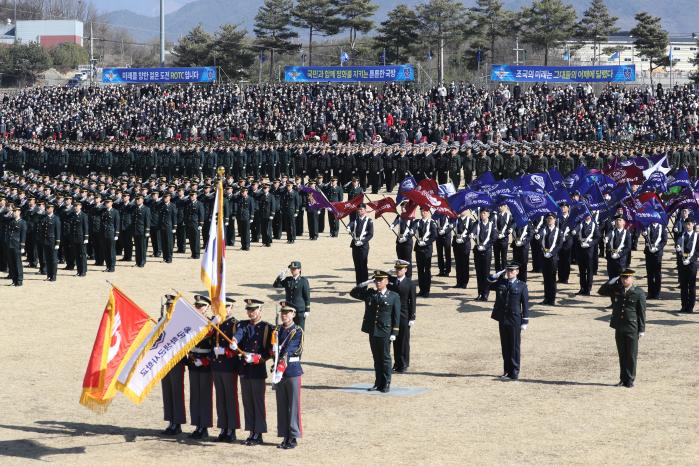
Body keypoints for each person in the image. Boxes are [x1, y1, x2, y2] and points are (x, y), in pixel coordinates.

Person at [350, 270, 401, 393]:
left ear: (387, 281)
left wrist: (394, 332)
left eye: (380, 280)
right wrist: (365, 283)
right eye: (376, 280)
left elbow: (396, 316)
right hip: (373, 330)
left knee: (385, 358)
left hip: (385, 331)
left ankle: (386, 382)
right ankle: (378, 383)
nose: (378, 282)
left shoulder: (393, 296)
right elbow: (353, 293)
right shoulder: (370, 294)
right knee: (376, 358)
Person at [231, 298, 272, 446]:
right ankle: (251, 431)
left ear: (260, 310)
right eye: (249, 310)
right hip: (244, 369)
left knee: (258, 402)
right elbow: (240, 333)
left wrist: (256, 358)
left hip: (257, 369)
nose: (251, 313)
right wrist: (235, 341)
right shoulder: (243, 325)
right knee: (247, 402)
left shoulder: (267, 328)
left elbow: (270, 351)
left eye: (254, 310)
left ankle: (259, 433)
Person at [598, 269, 646, 388]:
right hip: (619, 326)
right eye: (623, 277)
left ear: (632, 278)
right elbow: (601, 291)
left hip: (632, 327)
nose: (625, 280)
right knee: (622, 354)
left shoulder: (638, 293)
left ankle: (629, 379)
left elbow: (641, 312)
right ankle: (622, 379)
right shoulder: (617, 290)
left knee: (631, 355)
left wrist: (642, 330)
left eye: (627, 277)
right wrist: (612, 281)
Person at [488, 261, 529, 381]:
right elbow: (488, 281)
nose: (509, 273)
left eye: (512, 271)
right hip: (503, 318)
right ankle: (507, 371)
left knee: (514, 346)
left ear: (517, 272)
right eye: (508, 270)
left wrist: (525, 321)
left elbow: (525, 305)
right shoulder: (501, 283)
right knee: (505, 346)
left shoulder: (522, 286)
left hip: (515, 319)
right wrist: (499, 273)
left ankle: (514, 372)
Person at [272, 302, 304, 450]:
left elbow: (293, 348)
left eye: (287, 312)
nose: (284, 315)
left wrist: (282, 359)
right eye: (282, 313)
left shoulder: (297, 331)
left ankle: (293, 437)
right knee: (282, 405)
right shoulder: (277, 330)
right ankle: (285, 435)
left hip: (291, 371)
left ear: (293, 314)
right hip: (279, 373)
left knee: (293, 405)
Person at [211, 296, 241, 442]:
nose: (225, 310)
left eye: (227, 307)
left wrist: (225, 351)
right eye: (222, 307)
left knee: (230, 398)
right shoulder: (216, 322)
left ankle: (232, 429)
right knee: (220, 398)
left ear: (231, 308)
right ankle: (223, 427)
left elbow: (238, 348)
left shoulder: (235, 325)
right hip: (217, 365)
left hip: (229, 366)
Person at [187, 294, 214, 439]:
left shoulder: (210, 324)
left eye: (201, 306)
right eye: (197, 306)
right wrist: (191, 357)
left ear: (207, 307)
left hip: (205, 364)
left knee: (204, 396)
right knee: (195, 396)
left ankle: (204, 426)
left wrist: (205, 361)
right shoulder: (191, 323)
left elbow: (214, 347)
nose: (199, 308)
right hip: (193, 362)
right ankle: (197, 425)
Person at [160, 294, 186, 436]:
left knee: (176, 392)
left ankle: (178, 423)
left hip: (176, 361)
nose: (169, 308)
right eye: (168, 306)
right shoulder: (162, 321)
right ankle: (170, 421)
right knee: (167, 392)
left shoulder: (181, 323)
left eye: (171, 306)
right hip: (164, 362)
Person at [388, 259, 416, 373]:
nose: (398, 271)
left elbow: (412, 301)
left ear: (405, 270)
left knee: (404, 340)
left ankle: (404, 363)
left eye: (400, 269)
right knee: (395, 339)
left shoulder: (410, 283)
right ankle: (397, 362)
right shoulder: (392, 281)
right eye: (397, 269)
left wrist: (412, 317)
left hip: (404, 314)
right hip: (393, 314)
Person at [273, 260, 311, 330]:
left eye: (294, 269)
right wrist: (279, 277)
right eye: (291, 269)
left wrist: (307, 310)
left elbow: (307, 296)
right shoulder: (288, 280)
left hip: (299, 310)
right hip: (289, 310)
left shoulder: (303, 281)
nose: (292, 270)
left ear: (299, 269)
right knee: (289, 330)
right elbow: (276, 285)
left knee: (299, 330)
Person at [470, 207, 495, 301]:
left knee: (485, 273)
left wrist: (485, 246)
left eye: (484, 213)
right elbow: (473, 230)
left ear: (488, 214)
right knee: (479, 273)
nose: (482, 215)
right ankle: (480, 293)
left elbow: (493, 238)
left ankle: (485, 293)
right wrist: (472, 234)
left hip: (486, 252)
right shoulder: (477, 223)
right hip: (477, 252)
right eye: (481, 213)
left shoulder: (491, 225)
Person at [412, 207, 437, 297]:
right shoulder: (417, 222)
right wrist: (411, 231)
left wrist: (426, 242)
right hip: (419, 248)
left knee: (427, 270)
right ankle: (421, 289)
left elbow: (434, 235)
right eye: (422, 211)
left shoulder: (431, 222)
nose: (423, 213)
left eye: (425, 211)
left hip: (427, 249)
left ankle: (427, 290)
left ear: (428, 212)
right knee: (420, 270)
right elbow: (413, 229)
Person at [675, 216, 699, 313]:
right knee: (683, 285)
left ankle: (690, 306)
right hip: (682, 262)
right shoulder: (682, 235)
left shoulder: (697, 236)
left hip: (692, 263)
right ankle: (684, 305)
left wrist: (690, 260)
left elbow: (698, 251)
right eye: (686, 224)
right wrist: (677, 248)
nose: (687, 226)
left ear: (693, 225)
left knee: (691, 286)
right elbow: (678, 244)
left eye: (689, 224)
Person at [539, 212, 562, 305]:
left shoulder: (558, 231)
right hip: (544, 257)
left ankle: (552, 299)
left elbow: (559, 245)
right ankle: (546, 298)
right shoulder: (544, 230)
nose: (550, 220)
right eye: (548, 218)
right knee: (545, 278)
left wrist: (552, 253)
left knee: (552, 278)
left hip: (553, 258)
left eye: (551, 218)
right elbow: (540, 240)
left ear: (555, 220)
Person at [574, 212, 599, 295]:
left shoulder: (594, 225)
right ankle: (582, 287)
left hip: (589, 250)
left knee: (589, 270)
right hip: (580, 249)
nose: (587, 216)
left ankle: (588, 288)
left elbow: (597, 237)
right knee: (581, 270)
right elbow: (576, 231)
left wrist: (589, 244)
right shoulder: (581, 224)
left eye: (588, 215)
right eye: (586, 215)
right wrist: (574, 232)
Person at [347, 203, 373, 285]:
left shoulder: (369, 221)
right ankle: (358, 284)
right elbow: (351, 224)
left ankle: (364, 284)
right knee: (357, 265)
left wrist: (362, 241)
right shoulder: (355, 220)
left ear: (365, 210)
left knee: (363, 265)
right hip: (355, 245)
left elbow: (370, 234)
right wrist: (348, 227)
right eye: (358, 210)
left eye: (361, 209)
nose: (359, 211)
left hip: (363, 246)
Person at [642, 220, 666, 300]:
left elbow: (664, 241)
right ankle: (650, 293)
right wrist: (643, 234)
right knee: (649, 273)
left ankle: (657, 293)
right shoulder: (647, 226)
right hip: (649, 252)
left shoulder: (662, 227)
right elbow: (645, 236)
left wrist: (657, 248)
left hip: (657, 253)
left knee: (657, 274)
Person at [38, 203, 61, 282]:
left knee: (53, 259)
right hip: (45, 241)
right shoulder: (44, 218)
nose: (47, 209)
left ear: (52, 209)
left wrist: (57, 243)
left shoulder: (56, 219)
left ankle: (53, 276)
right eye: (46, 208)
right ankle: (49, 275)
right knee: (47, 259)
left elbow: (58, 231)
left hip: (53, 241)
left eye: (48, 208)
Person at [452, 209, 474, 288]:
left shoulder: (470, 221)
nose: (461, 211)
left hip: (465, 245)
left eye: (464, 209)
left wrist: (464, 239)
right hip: (457, 243)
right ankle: (459, 282)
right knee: (458, 264)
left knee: (465, 264)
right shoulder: (455, 220)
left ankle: (464, 282)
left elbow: (472, 233)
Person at [605, 214, 631, 278]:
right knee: (611, 278)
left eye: (620, 220)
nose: (618, 221)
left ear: (624, 223)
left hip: (621, 260)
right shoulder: (612, 231)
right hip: (611, 259)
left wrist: (619, 254)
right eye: (616, 220)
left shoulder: (627, 233)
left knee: (621, 279)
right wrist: (606, 238)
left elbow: (628, 247)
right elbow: (608, 236)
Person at [392, 202, 414, 277]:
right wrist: (392, 225)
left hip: (407, 242)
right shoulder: (400, 216)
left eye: (404, 207)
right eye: (401, 207)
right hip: (399, 240)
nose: (402, 209)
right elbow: (396, 221)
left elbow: (412, 231)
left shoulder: (411, 217)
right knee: (400, 259)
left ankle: (408, 276)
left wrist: (406, 238)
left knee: (407, 260)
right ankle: (401, 275)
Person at [67, 201, 89, 277]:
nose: (75, 207)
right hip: (74, 238)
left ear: (80, 206)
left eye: (77, 206)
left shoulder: (84, 215)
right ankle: (79, 271)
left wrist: (86, 237)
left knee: (82, 255)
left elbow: (85, 227)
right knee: (77, 255)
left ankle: (83, 271)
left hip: (81, 238)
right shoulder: (72, 215)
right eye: (74, 206)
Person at [6, 206, 26, 286]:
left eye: (15, 211)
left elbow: (23, 235)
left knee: (18, 264)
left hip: (17, 245)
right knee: (11, 264)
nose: (14, 213)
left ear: (19, 212)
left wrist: (22, 247)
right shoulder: (11, 221)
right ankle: (14, 280)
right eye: (13, 211)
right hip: (10, 245)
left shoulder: (22, 222)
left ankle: (19, 280)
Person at [101, 198, 120, 273]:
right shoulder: (104, 212)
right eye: (106, 202)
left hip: (111, 233)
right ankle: (107, 266)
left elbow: (117, 224)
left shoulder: (115, 212)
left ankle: (112, 267)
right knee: (105, 251)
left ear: (111, 203)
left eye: (108, 202)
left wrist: (116, 234)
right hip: (104, 233)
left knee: (111, 250)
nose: (107, 204)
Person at [132, 194, 151, 268]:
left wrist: (147, 231)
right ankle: (137, 262)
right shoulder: (135, 208)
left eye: (139, 199)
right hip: (136, 230)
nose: (137, 201)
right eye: (136, 199)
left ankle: (142, 262)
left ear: (142, 200)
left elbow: (147, 221)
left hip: (142, 230)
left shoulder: (146, 209)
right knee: (137, 247)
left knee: (142, 247)